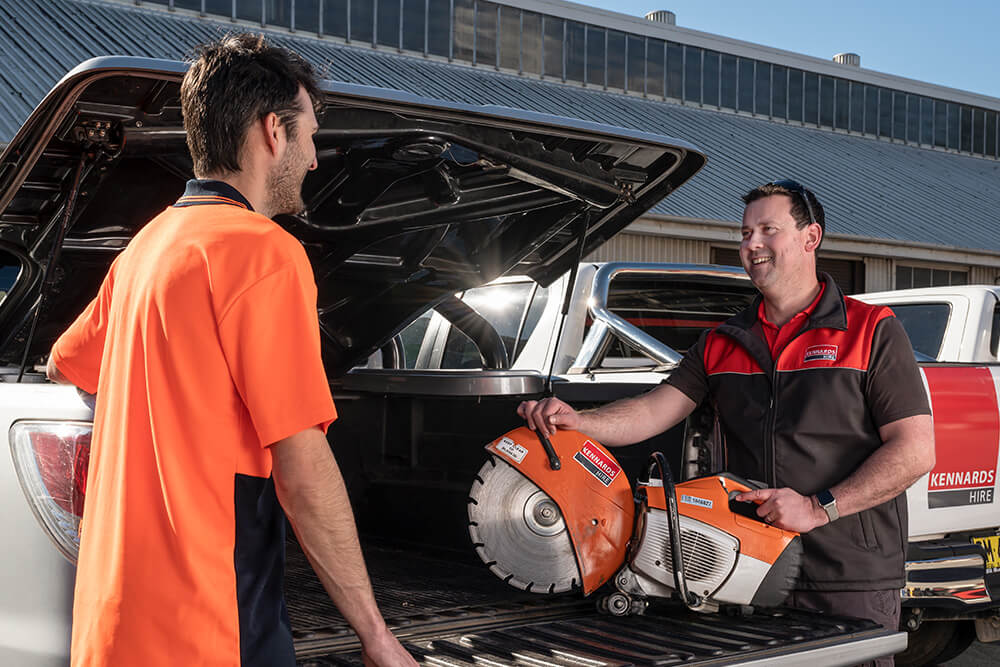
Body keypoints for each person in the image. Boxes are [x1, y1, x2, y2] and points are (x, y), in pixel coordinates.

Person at [46, 34, 417, 667]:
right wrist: (377, 636)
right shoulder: (262, 252)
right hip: (209, 627)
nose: (316, 160)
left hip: (110, 625)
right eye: (311, 136)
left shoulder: (147, 247)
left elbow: (67, 363)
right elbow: (303, 468)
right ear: (274, 131)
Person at [519, 180, 935, 667]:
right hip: (748, 567)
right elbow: (655, 410)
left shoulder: (870, 330)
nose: (752, 244)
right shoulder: (723, 341)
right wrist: (579, 420)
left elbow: (914, 450)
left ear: (810, 237)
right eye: (744, 234)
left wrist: (820, 508)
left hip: (848, 574)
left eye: (767, 230)